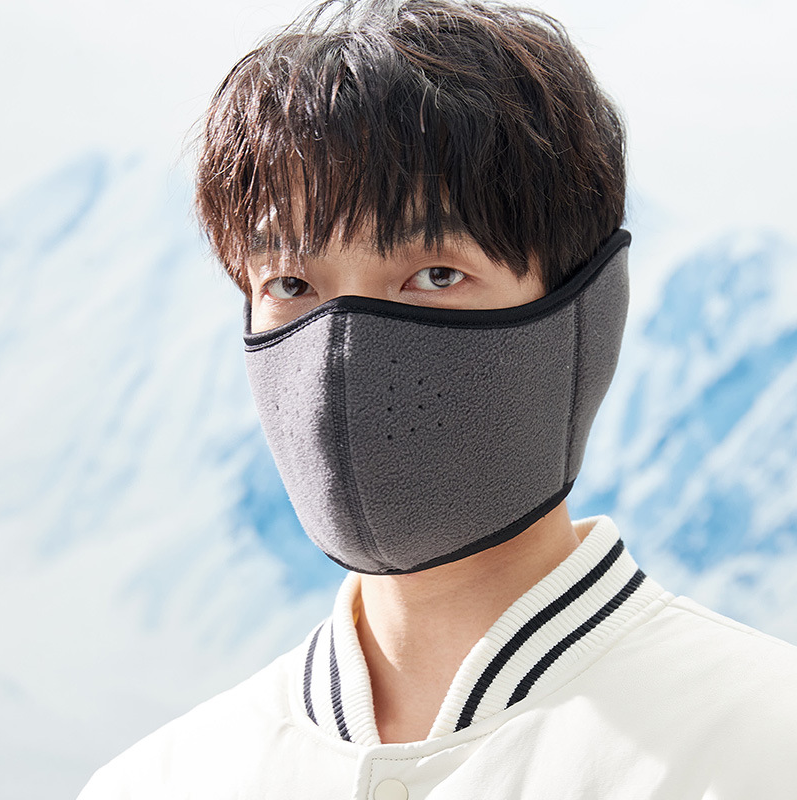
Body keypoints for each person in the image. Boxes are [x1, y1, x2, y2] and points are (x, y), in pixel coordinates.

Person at [78, 0, 797, 796]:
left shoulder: (764, 746)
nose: (343, 353)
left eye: (435, 275)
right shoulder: (159, 781)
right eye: (290, 284)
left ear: (587, 310)